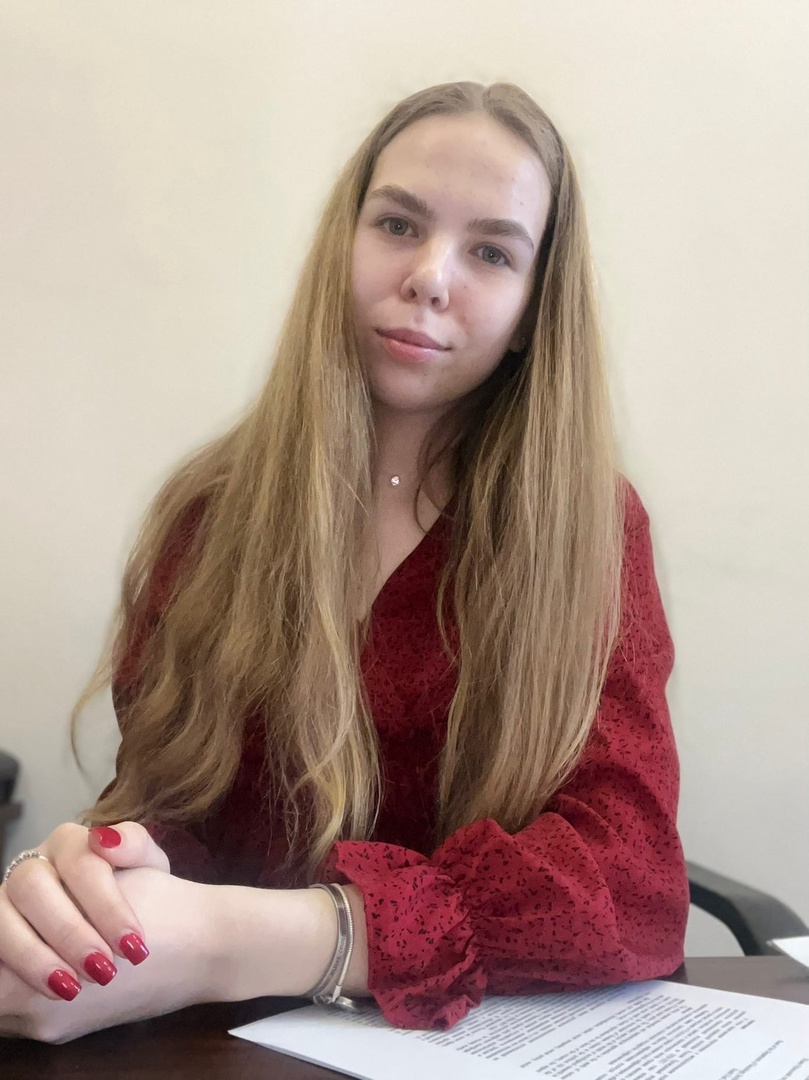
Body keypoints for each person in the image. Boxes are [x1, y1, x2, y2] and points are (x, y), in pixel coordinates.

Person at [0, 80, 689, 1044]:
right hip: (228, 1043)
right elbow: (171, 810)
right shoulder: (207, 513)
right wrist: (91, 893)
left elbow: (629, 878)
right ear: (343, 242)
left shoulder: (592, 532)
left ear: (536, 309)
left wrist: (247, 940)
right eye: (398, 224)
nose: (430, 277)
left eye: (491, 251)